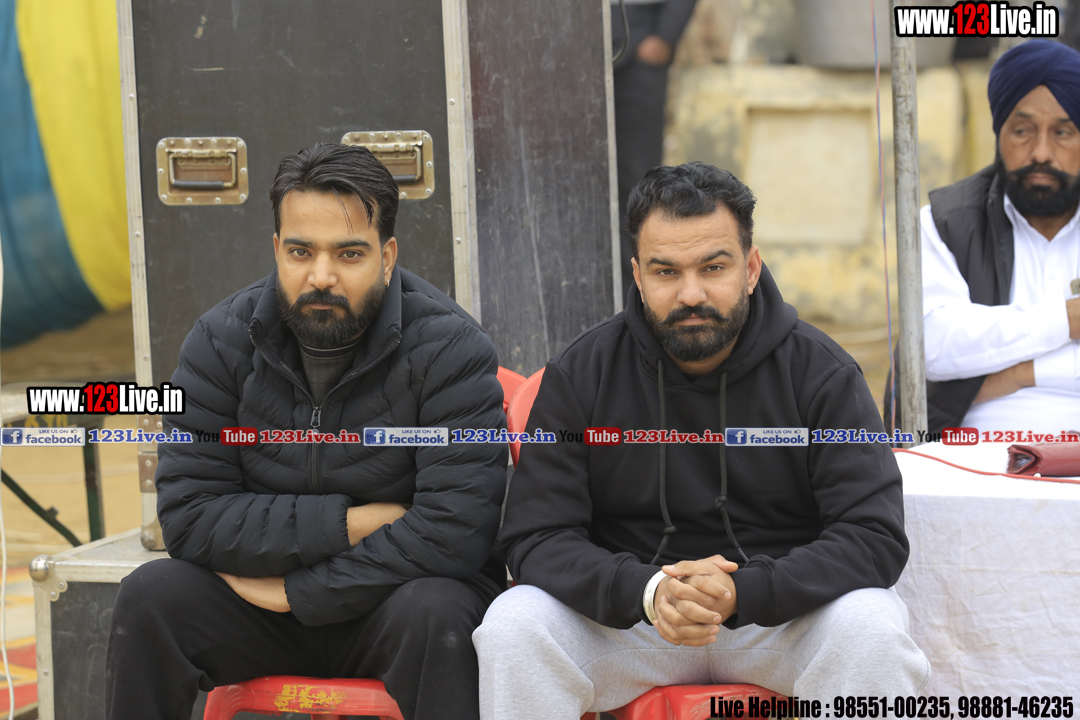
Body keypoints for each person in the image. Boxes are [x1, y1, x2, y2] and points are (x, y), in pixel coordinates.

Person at [473, 163, 929, 717]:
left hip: (781, 618)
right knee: (515, 625)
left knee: (871, 628)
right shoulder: (583, 371)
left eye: (714, 267)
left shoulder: (822, 373)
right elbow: (535, 536)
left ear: (751, 267)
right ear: (638, 276)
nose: (691, 294)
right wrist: (648, 592)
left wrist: (745, 592)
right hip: (631, 620)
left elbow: (873, 536)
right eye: (666, 272)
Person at [104, 143, 508, 720]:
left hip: (391, 605)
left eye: (349, 253)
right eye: (300, 252)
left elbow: (455, 531)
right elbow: (189, 517)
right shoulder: (219, 341)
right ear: (276, 250)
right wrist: (353, 522)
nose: (321, 276)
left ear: (387, 256)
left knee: (440, 610)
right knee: (150, 597)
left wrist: (298, 592)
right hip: (256, 609)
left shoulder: (450, 347)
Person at [886, 39, 1080, 434]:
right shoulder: (946, 222)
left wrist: (1016, 373)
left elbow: (955, 355)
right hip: (970, 452)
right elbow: (932, 347)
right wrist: (1066, 320)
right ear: (998, 133)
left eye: (1062, 132)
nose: (1041, 153)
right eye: (1023, 131)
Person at [612, 0, 698, 297]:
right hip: (572, 52)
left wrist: (664, 36)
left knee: (637, 179)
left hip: (639, 48)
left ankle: (638, 292)